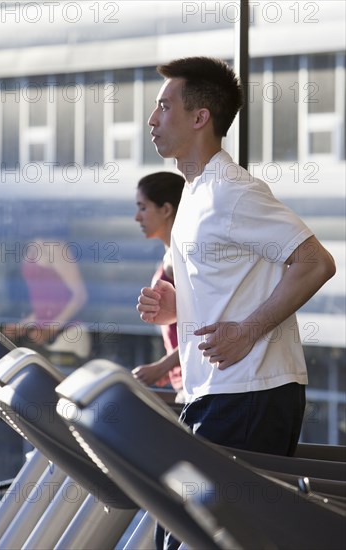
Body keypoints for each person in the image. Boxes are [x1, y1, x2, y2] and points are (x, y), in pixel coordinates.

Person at [137, 55, 336, 550]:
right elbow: (234, 286)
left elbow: (315, 263)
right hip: (214, 393)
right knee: (178, 526)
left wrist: (247, 330)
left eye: (165, 106)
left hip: (250, 393)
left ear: (200, 117)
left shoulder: (234, 192)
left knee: (205, 535)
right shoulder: (196, 194)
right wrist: (179, 308)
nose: (152, 119)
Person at [132, 172, 185, 403]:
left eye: (143, 208)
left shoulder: (181, 257)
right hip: (185, 380)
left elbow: (205, 323)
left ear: (166, 210)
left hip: (195, 381)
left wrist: (162, 366)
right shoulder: (171, 255)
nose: (137, 217)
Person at [3, 237, 91, 371]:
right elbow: (45, 305)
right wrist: (23, 325)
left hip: (69, 337)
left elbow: (80, 296)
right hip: (48, 341)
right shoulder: (28, 247)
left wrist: (50, 328)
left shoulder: (57, 248)